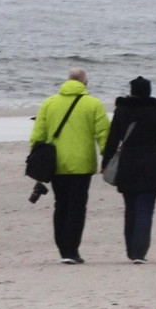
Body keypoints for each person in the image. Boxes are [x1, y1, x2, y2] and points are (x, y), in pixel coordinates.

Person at [30, 68, 110, 264]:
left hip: (56, 163)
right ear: (85, 83)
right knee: (77, 207)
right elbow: (103, 134)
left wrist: (36, 157)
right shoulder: (93, 104)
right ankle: (72, 250)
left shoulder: (49, 103)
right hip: (82, 164)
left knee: (61, 205)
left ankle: (63, 248)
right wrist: (107, 158)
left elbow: (37, 135)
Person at [100, 76, 156, 264]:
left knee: (130, 209)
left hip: (127, 166)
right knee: (145, 209)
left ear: (132, 91)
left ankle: (131, 250)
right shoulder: (155, 112)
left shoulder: (121, 112)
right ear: (149, 92)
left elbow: (112, 140)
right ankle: (139, 252)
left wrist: (105, 162)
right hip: (151, 166)